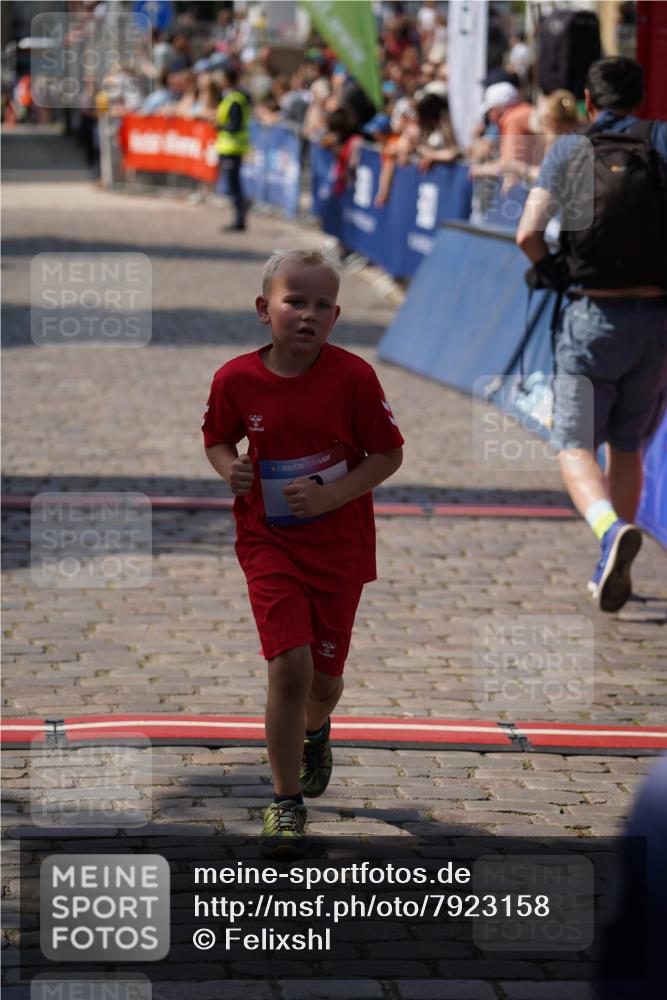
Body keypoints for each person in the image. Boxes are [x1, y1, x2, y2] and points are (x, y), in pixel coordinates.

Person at [202, 249, 404, 856]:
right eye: (295, 301)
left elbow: (388, 454)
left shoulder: (354, 378)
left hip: (339, 548)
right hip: (268, 542)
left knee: (324, 681)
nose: (307, 315)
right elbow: (217, 438)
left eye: (321, 305)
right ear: (265, 310)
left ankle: (317, 730)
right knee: (288, 668)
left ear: (336, 316)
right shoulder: (235, 378)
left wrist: (331, 495)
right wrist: (230, 471)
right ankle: (285, 803)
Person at [517, 57, 667, 612]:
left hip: (590, 317)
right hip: (655, 322)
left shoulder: (568, 149)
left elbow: (526, 232)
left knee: (574, 443)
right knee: (629, 445)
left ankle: (608, 532)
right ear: (640, 96)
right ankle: (612, 553)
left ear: (587, 99)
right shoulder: (660, 140)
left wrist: (556, 272)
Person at [215, 64, 251, 232]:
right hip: (228, 148)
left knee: (234, 185)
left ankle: (239, 218)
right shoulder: (230, 97)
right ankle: (238, 216)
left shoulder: (235, 99)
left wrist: (219, 127)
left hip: (233, 148)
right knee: (232, 185)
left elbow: (235, 125)